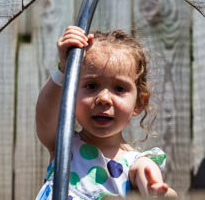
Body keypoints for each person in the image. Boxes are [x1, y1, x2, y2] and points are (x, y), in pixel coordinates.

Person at [35, 26, 177, 200]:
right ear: (70, 94)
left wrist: (157, 191)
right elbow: (45, 113)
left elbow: (147, 177)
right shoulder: (63, 143)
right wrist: (63, 69)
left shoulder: (137, 163)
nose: (103, 99)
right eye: (91, 86)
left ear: (139, 103)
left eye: (119, 88)